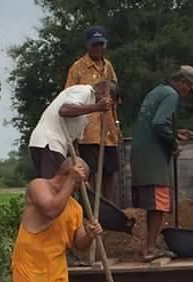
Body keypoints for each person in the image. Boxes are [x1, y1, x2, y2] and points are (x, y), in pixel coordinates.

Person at [130, 66, 193, 261]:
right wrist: (174, 144)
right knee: (160, 203)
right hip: (152, 156)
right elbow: (159, 124)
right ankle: (151, 249)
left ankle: (150, 246)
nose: (188, 94)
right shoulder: (171, 95)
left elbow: (155, 123)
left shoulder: (158, 91)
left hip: (142, 153)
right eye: (189, 89)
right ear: (184, 83)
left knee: (154, 204)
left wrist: (176, 132)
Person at [65, 25, 121, 202]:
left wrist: (117, 124)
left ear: (105, 45)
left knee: (109, 171)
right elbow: (69, 99)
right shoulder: (77, 68)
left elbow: (115, 96)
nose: (98, 48)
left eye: (101, 44)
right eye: (94, 45)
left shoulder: (108, 67)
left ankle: (107, 207)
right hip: (87, 131)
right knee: (89, 172)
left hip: (108, 130)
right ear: (88, 45)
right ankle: (89, 211)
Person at [29, 79, 117, 179]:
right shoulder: (84, 92)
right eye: (110, 103)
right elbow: (64, 110)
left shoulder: (86, 109)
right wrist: (96, 107)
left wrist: (78, 170)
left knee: (57, 185)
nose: (107, 107)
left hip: (52, 146)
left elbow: (74, 142)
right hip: (49, 144)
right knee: (52, 188)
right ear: (103, 94)